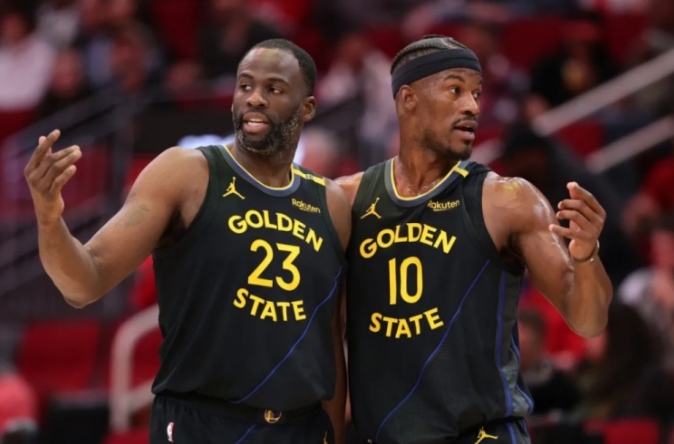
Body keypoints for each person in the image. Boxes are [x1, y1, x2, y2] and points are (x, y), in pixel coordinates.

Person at [24, 39, 350, 444]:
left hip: (300, 428)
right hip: (203, 423)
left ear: (307, 108)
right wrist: (49, 219)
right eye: (245, 85)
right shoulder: (186, 173)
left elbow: (329, 337)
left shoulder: (330, 204)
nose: (255, 98)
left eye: (274, 88)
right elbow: (84, 282)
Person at [337, 35, 612, 444]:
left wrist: (587, 256)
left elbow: (588, 321)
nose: (473, 106)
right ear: (408, 99)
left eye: (477, 93)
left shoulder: (509, 200)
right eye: (455, 90)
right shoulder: (348, 201)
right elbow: (325, 337)